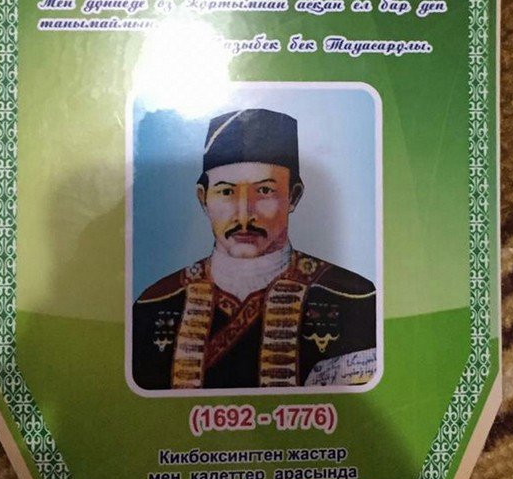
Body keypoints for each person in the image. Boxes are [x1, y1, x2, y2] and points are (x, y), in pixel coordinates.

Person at [132, 108, 376, 390]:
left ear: (293, 196)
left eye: (264, 191)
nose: (244, 215)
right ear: (203, 199)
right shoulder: (156, 304)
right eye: (226, 192)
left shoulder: (354, 299)